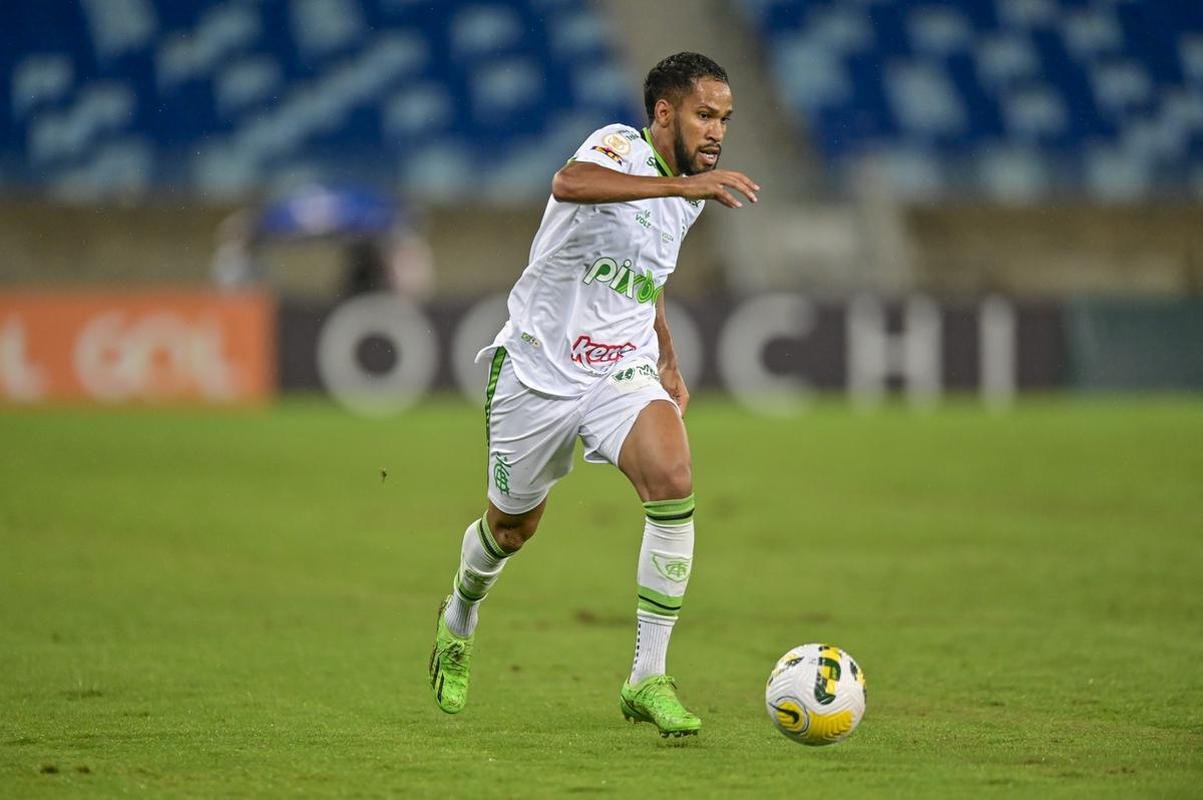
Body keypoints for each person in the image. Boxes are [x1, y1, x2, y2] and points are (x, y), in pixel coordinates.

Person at [428, 52, 759, 737]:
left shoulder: (686, 192)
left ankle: (646, 678)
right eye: (704, 114)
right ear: (664, 113)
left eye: (724, 118)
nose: (716, 132)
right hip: (538, 372)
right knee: (510, 530)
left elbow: (646, 273)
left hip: (621, 370)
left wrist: (666, 356)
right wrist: (676, 193)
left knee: (673, 477)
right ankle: (459, 616)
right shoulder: (619, 148)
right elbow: (569, 181)